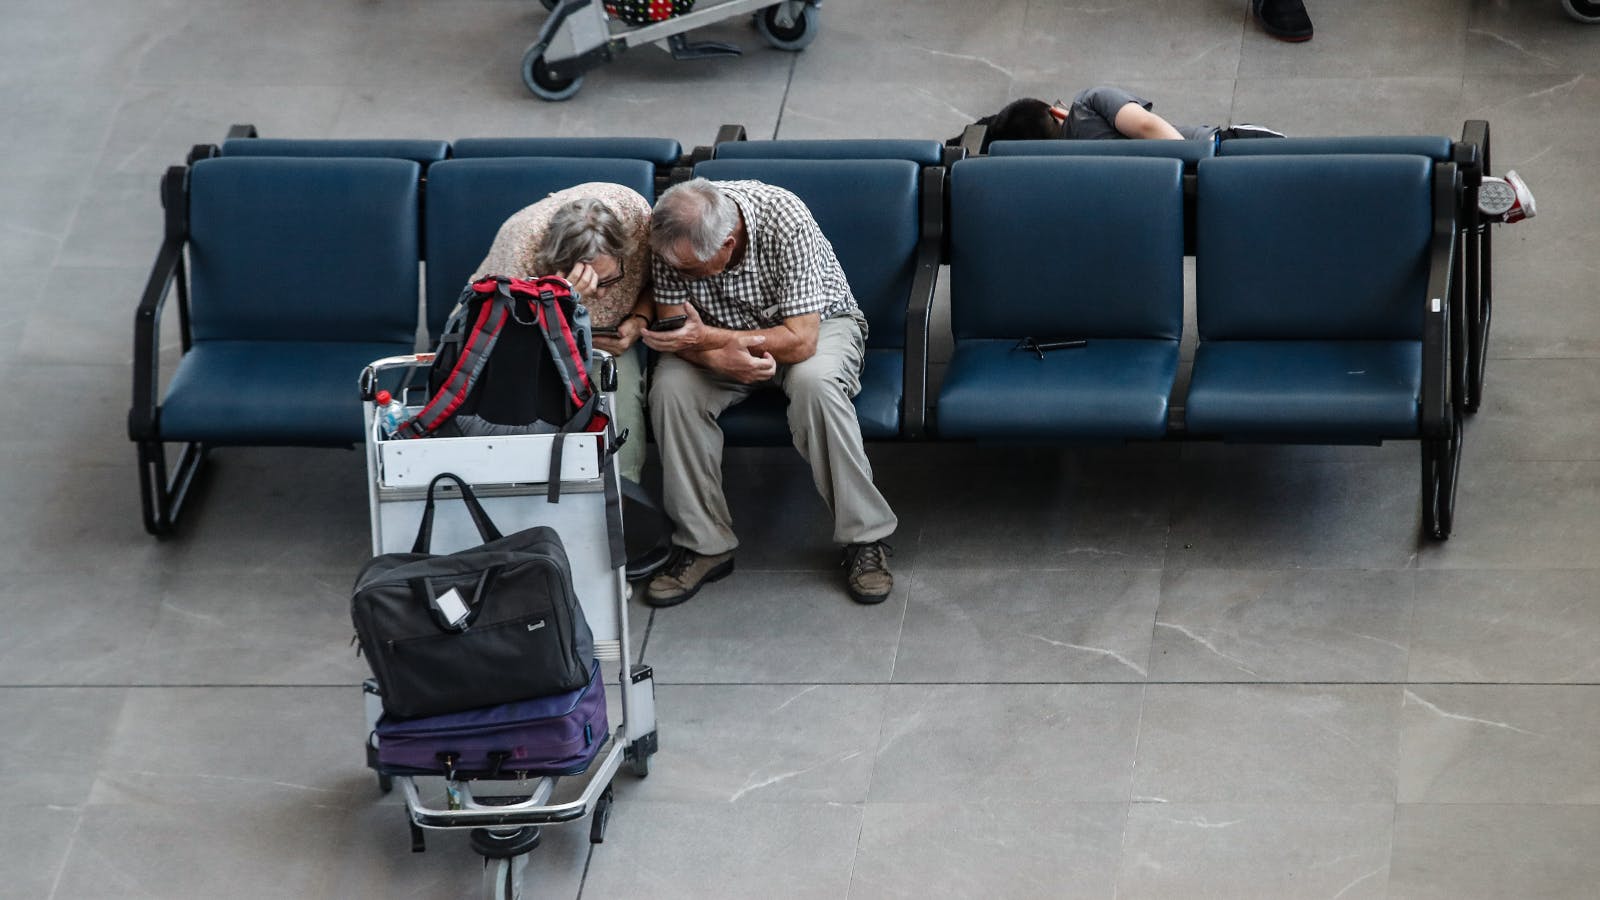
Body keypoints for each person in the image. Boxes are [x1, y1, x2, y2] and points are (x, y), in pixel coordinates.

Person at [637, 177, 897, 608]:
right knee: (671, 390)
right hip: (713, 343)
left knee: (815, 386)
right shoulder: (672, 236)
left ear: (728, 244)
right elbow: (677, 330)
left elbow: (801, 341)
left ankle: (864, 539)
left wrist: (717, 341)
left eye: (689, 269)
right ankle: (704, 544)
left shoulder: (784, 219)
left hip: (816, 326)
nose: (679, 274)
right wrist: (718, 357)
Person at [473, 183, 655, 483]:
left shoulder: (639, 223)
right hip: (529, 338)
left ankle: (621, 496)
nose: (598, 293)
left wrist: (639, 319)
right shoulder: (519, 245)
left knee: (619, 397)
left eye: (609, 279)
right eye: (588, 282)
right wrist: (565, 302)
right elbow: (506, 339)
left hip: (611, 341)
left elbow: (659, 281)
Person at [953, 88, 1284, 153]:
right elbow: (1146, 127)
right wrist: (1199, 168)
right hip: (1223, 149)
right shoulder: (1088, 103)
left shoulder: (1066, 175)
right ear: (1057, 111)